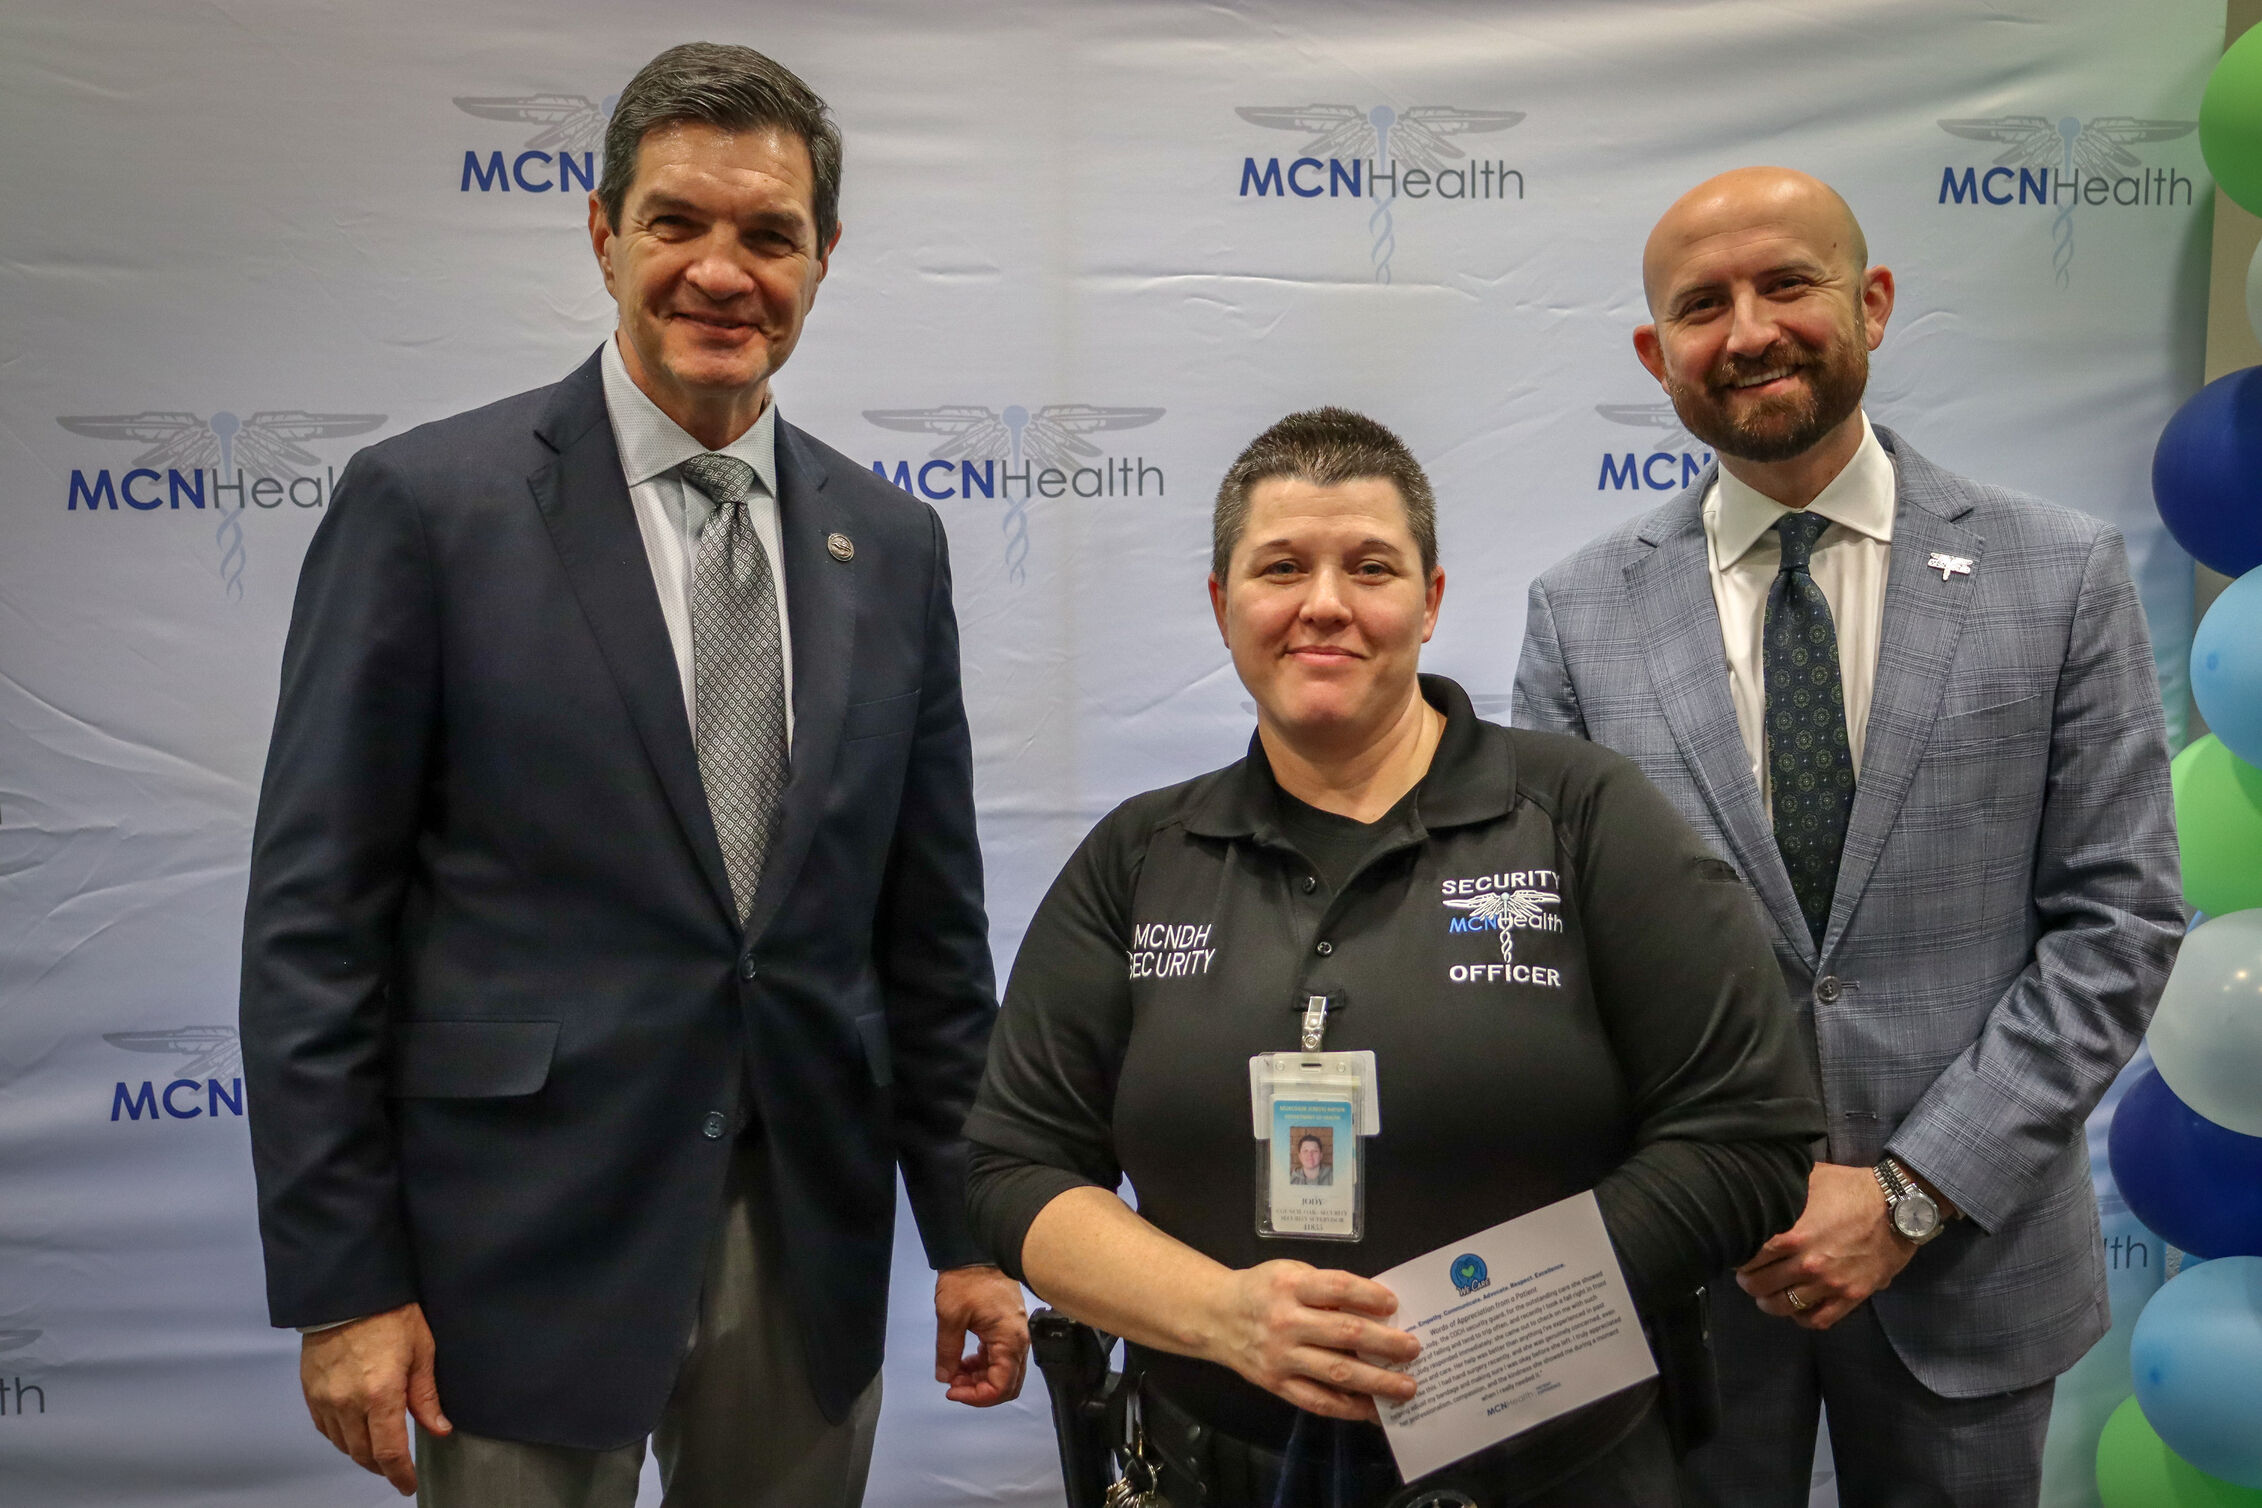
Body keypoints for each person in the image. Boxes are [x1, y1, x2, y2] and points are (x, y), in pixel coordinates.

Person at [240, 42, 1027, 1508]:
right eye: (676, 222)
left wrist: (974, 1232)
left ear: (824, 257)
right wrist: (343, 1283)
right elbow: (313, 929)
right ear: (603, 233)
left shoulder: (890, 543)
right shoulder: (426, 508)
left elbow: (930, 937)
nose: (721, 273)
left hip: (804, 1245)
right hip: (514, 1253)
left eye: (768, 233)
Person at [965, 408, 1824, 1508]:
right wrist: (1227, 1316)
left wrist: (1468, 1337)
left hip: (1551, 1470)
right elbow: (1015, 1166)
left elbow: (1749, 1136)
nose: (1325, 601)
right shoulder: (1140, 857)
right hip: (1211, 1467)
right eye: (1282, 566)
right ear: (1223, 606)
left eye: (1371, 566)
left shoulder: (1583, 816)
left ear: (1431, 600)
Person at [1513, 167, 2182, 1507]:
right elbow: (1553, 949)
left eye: (1787, 285)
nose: (1748, 330)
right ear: (1655, 355)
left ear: (1869, 303)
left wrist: (1913, 1190)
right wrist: (1698, 1188)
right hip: (1696, 1281)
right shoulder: (1579, 613)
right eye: (1702, 305)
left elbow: (2119, 920)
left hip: (1971, 1269)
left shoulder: (2056, 574)